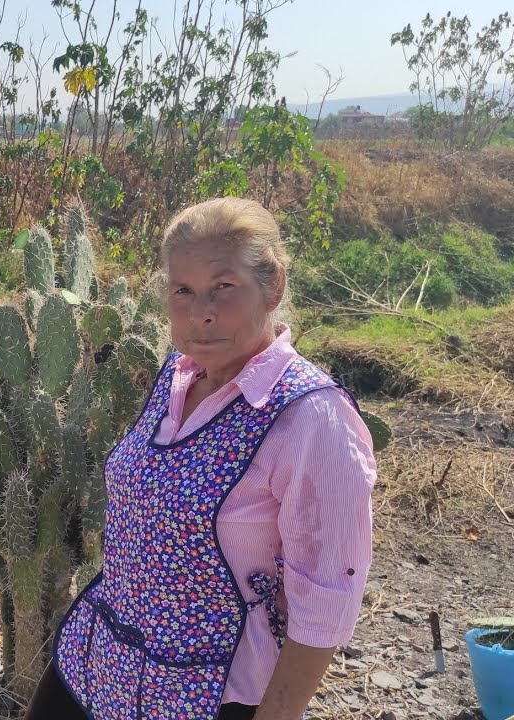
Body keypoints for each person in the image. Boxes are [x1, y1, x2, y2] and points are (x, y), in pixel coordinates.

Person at [25, 197, 377, 720]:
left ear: (273, 285)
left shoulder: (309, 420)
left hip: (213, 692)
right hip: (104, 661)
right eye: (183, 291)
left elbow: (328, 601)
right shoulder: (176, 376)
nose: (201, 313)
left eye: (223, 288)